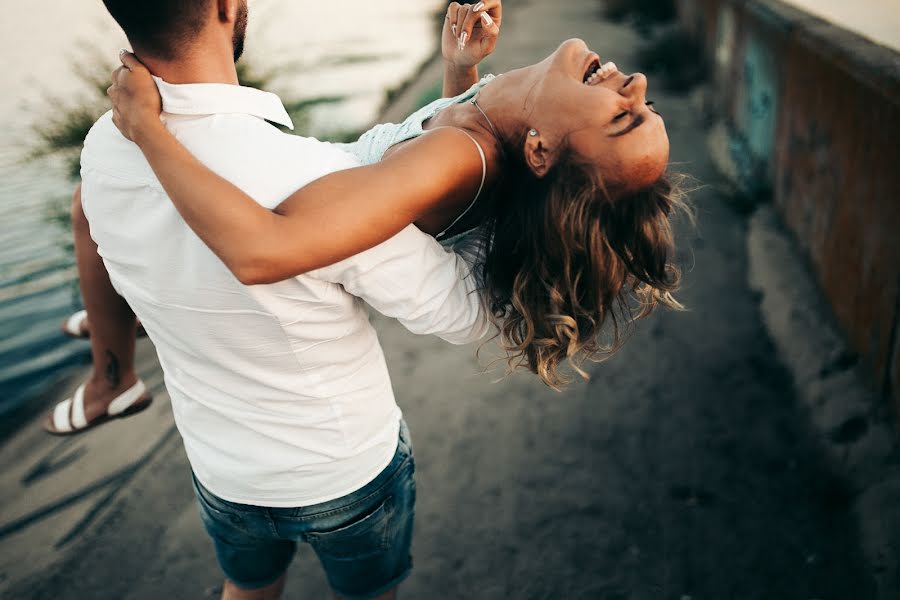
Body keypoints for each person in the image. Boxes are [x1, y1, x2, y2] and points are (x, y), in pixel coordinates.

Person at [49, 1, 503, 599]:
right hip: (344, 472)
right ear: (225, 6)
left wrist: (456, 75)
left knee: (246, 589)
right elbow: (462, 310)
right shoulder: (307, 172)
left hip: (224, 473)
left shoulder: (104, 149)